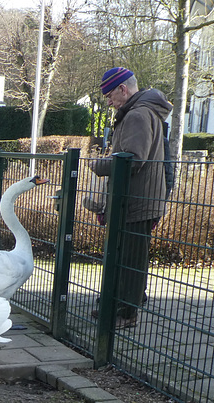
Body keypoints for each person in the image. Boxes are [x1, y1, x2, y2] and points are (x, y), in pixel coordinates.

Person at [89, 67, 173, 328]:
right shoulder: (141, 112)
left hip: (138, 201)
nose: (108, 100)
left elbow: (133, 160)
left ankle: (127, 313)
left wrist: (100, 165)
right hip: (139, 198)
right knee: (123, 255)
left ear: (122, 89)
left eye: (109, 94)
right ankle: (119, 303)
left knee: (132, 259)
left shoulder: (138, 115)